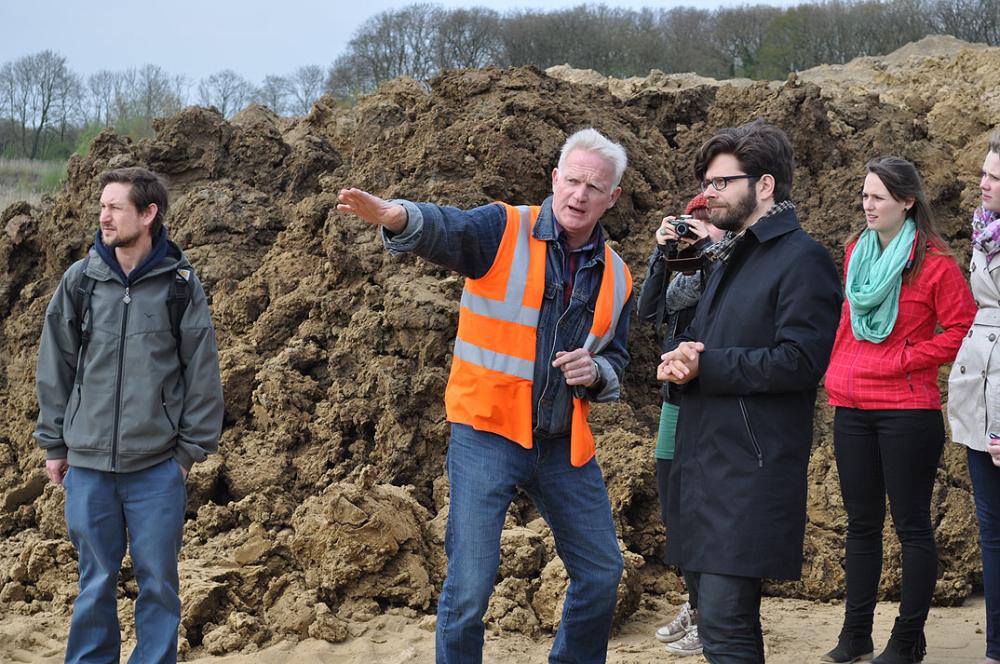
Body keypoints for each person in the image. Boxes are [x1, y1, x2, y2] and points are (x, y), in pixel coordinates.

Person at [337, 128, 633, 664]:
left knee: (602, 573)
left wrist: (596, 372)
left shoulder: (617, 274)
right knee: (470, 586)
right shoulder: (505, 229)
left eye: (595, 186)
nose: (579, 195)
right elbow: (450, 229)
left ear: (612, 197)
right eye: (572, 180)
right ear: (554, 179)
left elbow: (619, 358)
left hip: (564, 443)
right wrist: (397, 217)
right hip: (488, 434)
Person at [657, 120, 843, 663]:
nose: (707, 193)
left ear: (765, 186)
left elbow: (803, 361)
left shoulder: (802, 258)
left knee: (726, 624)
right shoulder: (731, 255)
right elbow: (719, 340)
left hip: (749, 468)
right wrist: (687, 354)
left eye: (720, 182)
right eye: (706, 182)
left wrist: (707, 366)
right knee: (717, 624)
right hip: (707, 459)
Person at [34, 167, 225, 664]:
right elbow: (56, 365)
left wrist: (185, 455)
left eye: (116, 206)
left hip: (156, 469)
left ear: (148, 213)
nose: (105, 215)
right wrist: (55, 444)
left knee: (159, 585)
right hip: (90, 467)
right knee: (94, 584)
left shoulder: (180, 285)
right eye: (103, 205)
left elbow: (202, 372)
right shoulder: (80, 281)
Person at [822, 156, 975, 664]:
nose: (867, 206)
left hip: (908, 410)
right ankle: (855, 635)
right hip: (853, 406)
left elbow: (961, 330)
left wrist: (909, 357)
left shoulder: (935, 264)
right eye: (864, 196)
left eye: (878, 198)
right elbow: (847, 319)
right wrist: (838, 370)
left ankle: (907, 639)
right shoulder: (854, 253)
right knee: (861, 525)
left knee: (911, 526)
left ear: (907, 202)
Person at [638, 193, 727, 657]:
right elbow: (645, 311)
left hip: (712, 401)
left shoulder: (729, 265)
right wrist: (664, 252)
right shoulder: (682, 267)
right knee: (674, 500)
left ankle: (715, 618)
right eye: (689, 222)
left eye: (706, 223)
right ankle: (697, 604)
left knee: (704, 508)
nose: (696, 230)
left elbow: (718, 305)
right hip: (675, 399)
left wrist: (708, 253)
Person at [948, 129, 1000, 664]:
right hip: (981, 391)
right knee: (991, 529)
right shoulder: (986, 233)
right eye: (984, 173)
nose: (982, 184)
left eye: (994, 178)